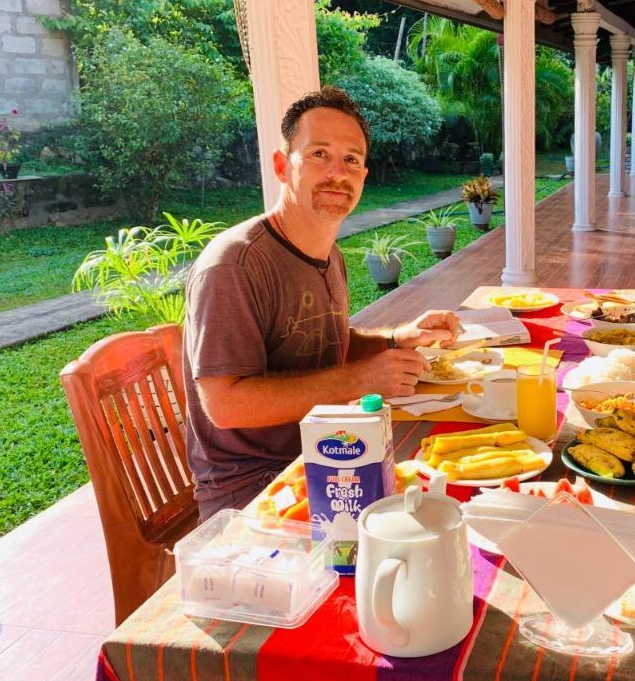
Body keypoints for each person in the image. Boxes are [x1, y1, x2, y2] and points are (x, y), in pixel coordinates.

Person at [183, 87, 460, 520]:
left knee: (453, 499)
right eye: (318, 154)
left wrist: (395, 338)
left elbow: (319, 342)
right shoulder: (235, 264)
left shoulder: (327, 252)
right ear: (281, 166)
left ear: (364, 176)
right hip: (256, 488)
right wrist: (360, 381)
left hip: (330, 452)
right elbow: (225, 404)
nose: (338, 172)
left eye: (351, 159)